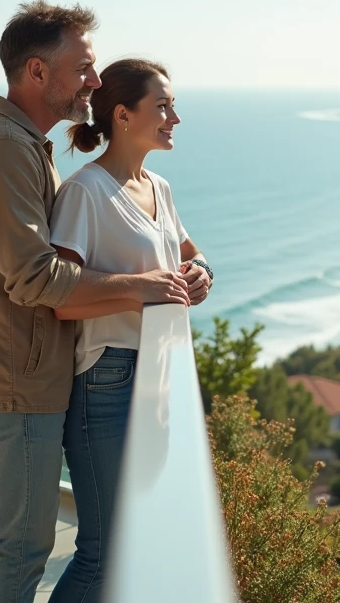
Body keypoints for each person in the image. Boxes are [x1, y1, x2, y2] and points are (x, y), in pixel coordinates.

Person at [0, 2, 191, 603]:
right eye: (82, 67)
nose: (95, 82)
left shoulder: (23, 145)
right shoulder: (3, 147)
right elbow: (36, 278)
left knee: (3, 538)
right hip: (15, 380)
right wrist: (142, 285)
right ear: (36, 72)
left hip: (19, 375)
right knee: (22, 547)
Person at [47, 58, 211, 603]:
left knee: (138, 539)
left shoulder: (159, 187)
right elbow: (62, 298)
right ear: (121, 114)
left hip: (157, 378)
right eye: (162, 106)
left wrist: (201, 272)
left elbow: (191, 253)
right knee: (105, 550)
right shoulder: (85, 193)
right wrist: (144, 285)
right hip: (106, 383)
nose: (175, 118)